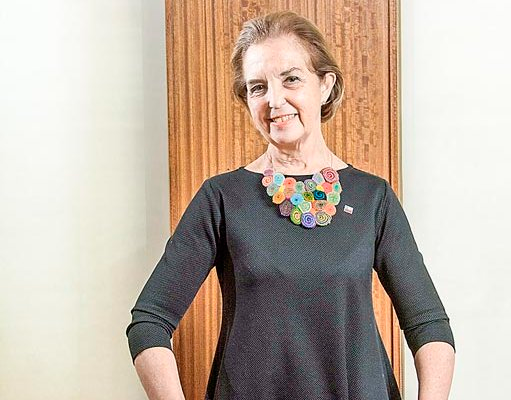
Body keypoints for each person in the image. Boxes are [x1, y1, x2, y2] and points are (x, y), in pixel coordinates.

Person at [126, 11, 455, 400]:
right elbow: (149, 322)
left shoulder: (373, 198)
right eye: (257, 87)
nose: (274, 100)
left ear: (325, 85)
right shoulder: (221, 198)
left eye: (291, 79)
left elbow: (429, 325)